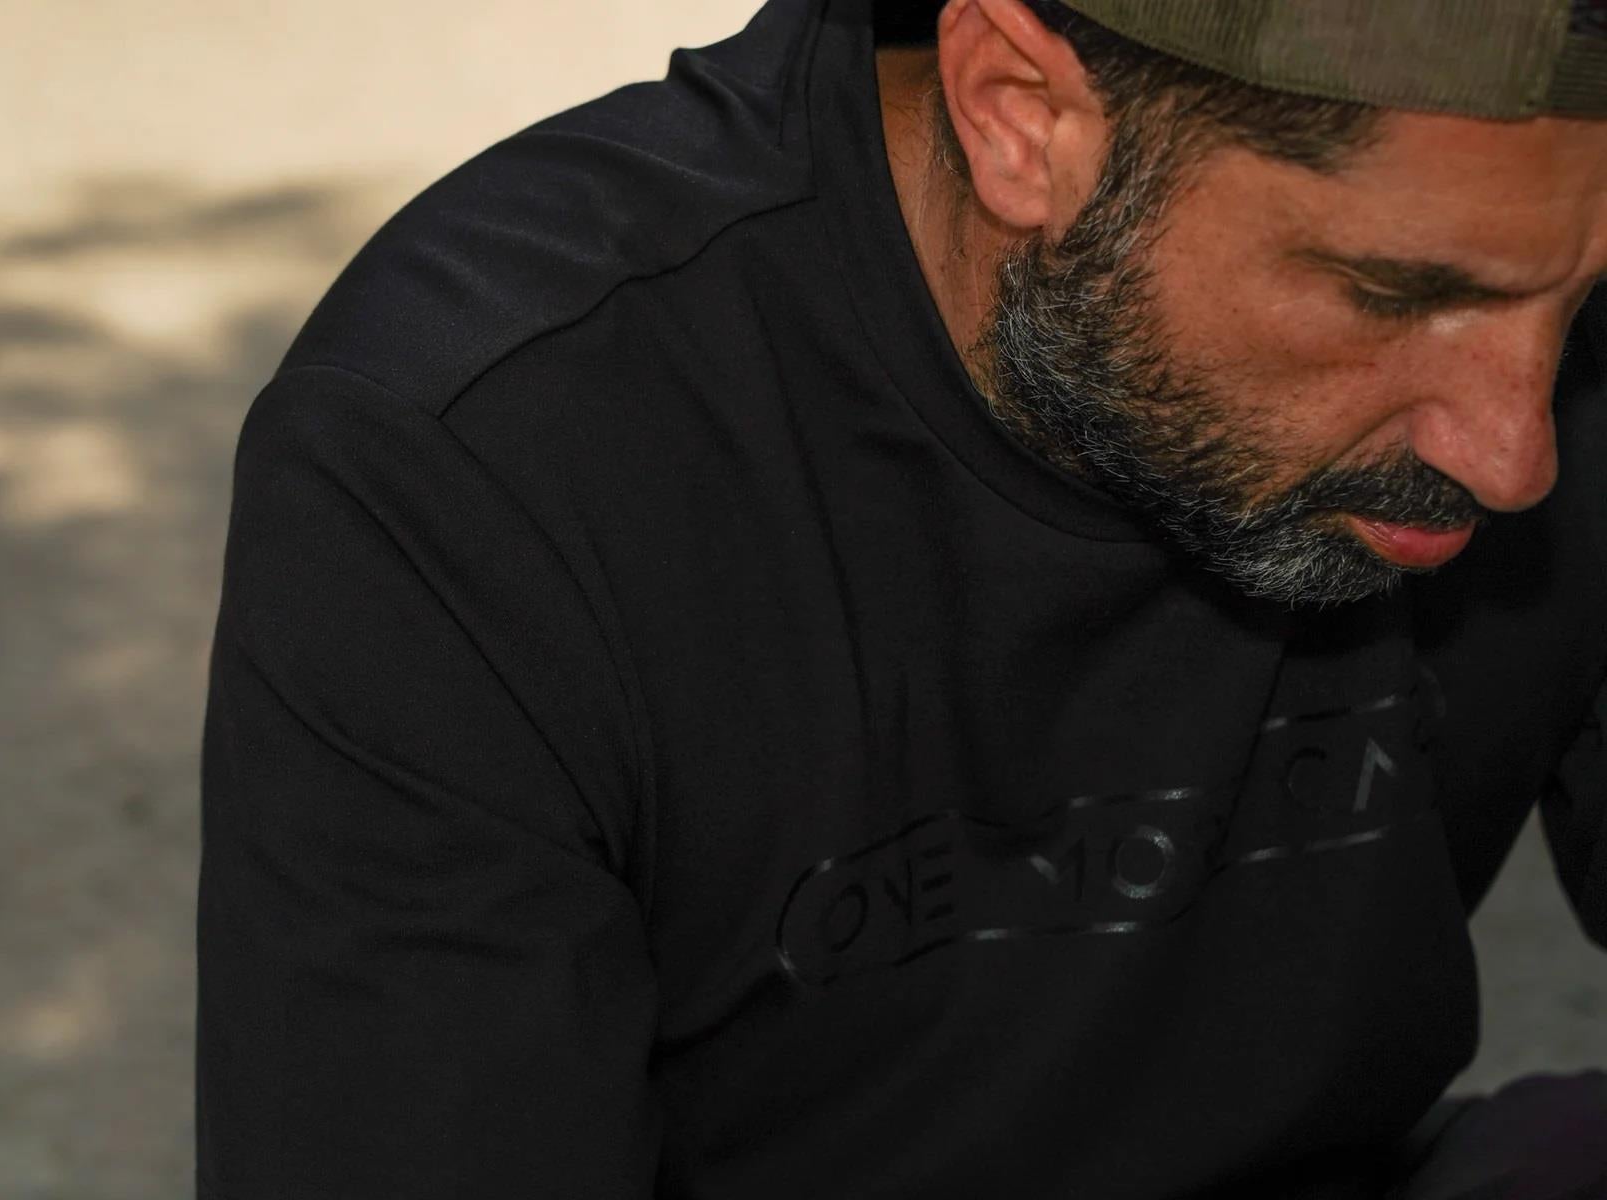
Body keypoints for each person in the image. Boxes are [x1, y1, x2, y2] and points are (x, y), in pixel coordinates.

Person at [195, 0, 1607, 1195]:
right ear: (1020, 116)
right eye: (1391, 295)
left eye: (1579, 300)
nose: (1513, 455)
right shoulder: (492, 451)